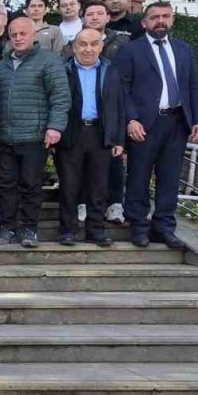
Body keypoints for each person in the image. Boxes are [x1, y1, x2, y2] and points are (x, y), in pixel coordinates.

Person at [115, 1, 198, 249]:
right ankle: (138, 226)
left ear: (172, 19)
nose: (160, 21)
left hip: (177, 122)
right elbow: (121, 88)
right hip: (144, 124)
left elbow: (193, 87)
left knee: (169, 178)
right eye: (154, 17)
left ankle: (164, 227)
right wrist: (130, 119)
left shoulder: (184, 50)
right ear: (144, 23)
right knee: (138, 176)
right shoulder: (131, 50)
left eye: (165, 16)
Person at [0, 16, 70, 247]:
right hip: (5, 136)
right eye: (13, 34)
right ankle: (6, 227)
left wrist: (55, 126)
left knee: (31, 184)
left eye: (22, 33)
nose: (18, 38)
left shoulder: (49, 62)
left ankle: (29, 229)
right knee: (5, 184)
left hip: (34, 136)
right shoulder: (0, 66)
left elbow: (60, 96)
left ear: (33, 34)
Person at [57, 27, 125, 247]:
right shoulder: (63, 70)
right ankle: (68, 230)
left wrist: (118, 139)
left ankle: (95, 231)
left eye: (93, 44)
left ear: (101, 46)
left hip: (100, 133)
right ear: (74, 47)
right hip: (71, 133)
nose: (88, 49)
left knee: (99, 187)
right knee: (69, 185)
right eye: (83, 44)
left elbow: (119, 107)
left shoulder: (111, 71)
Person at [80, 0, 133, 224]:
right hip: (84, 115)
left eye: (98, 13)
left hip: (110, 113)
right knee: (82, 165)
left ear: (107, 17)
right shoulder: (73, 44)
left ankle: (114, 205)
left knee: (113, 163)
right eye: (89, 14)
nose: (94, 17)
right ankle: (82, 203)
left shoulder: (122, 43)